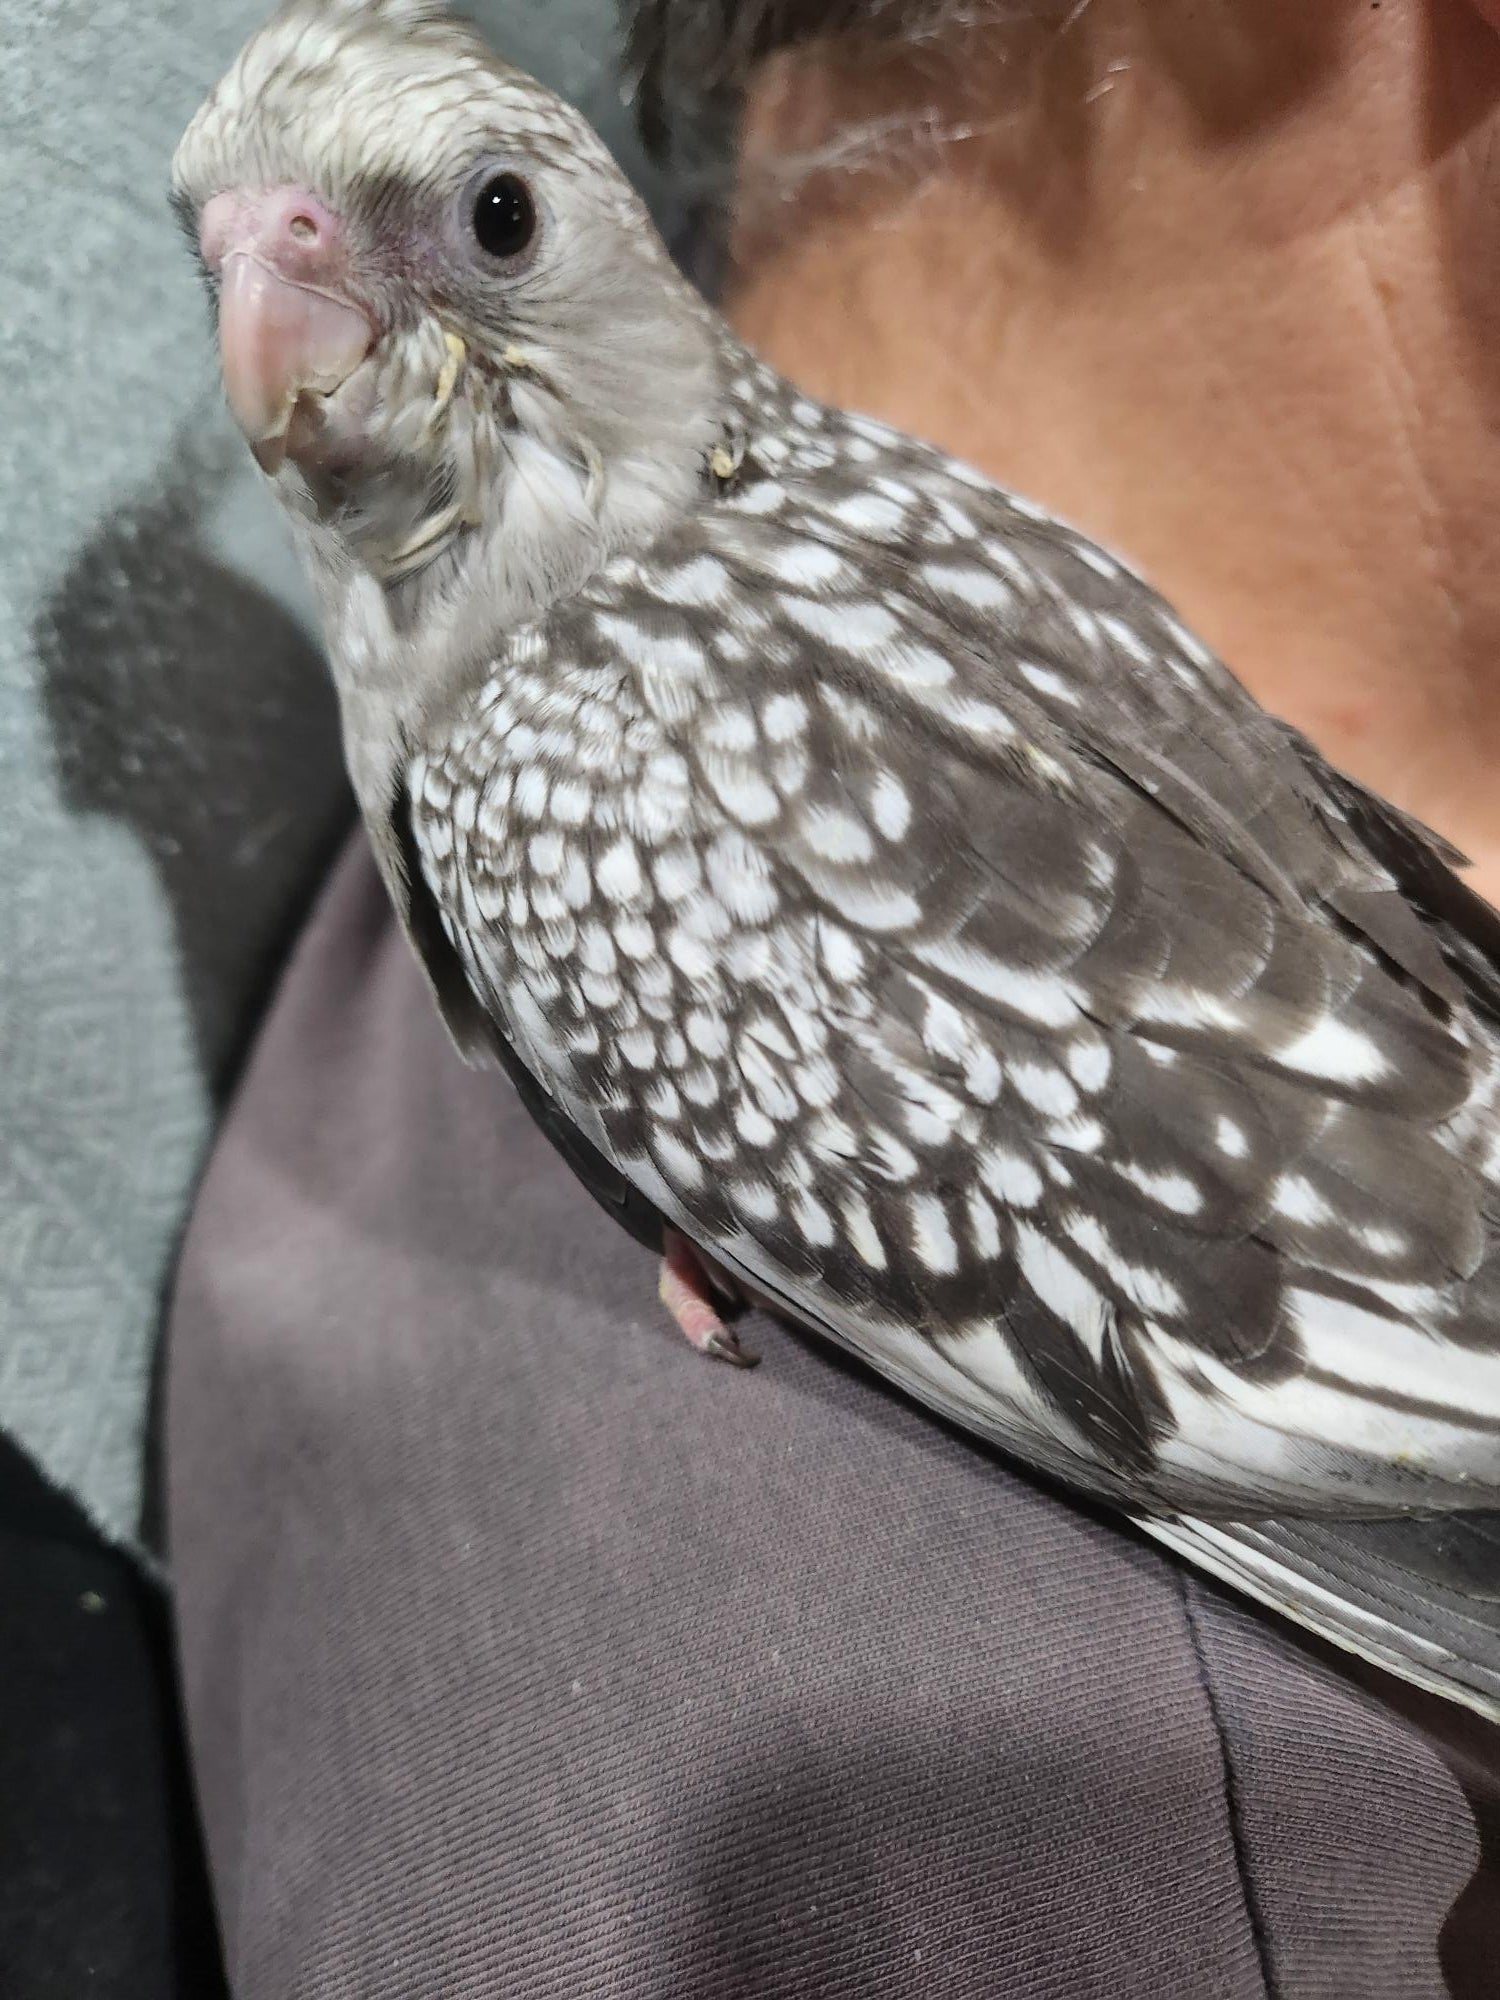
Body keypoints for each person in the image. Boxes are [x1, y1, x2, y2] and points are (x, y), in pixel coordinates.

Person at [165, 4, 1500, 1994]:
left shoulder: (672, 659)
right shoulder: (928, 1809)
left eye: (495, 224)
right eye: (235, 257)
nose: (282, 305)